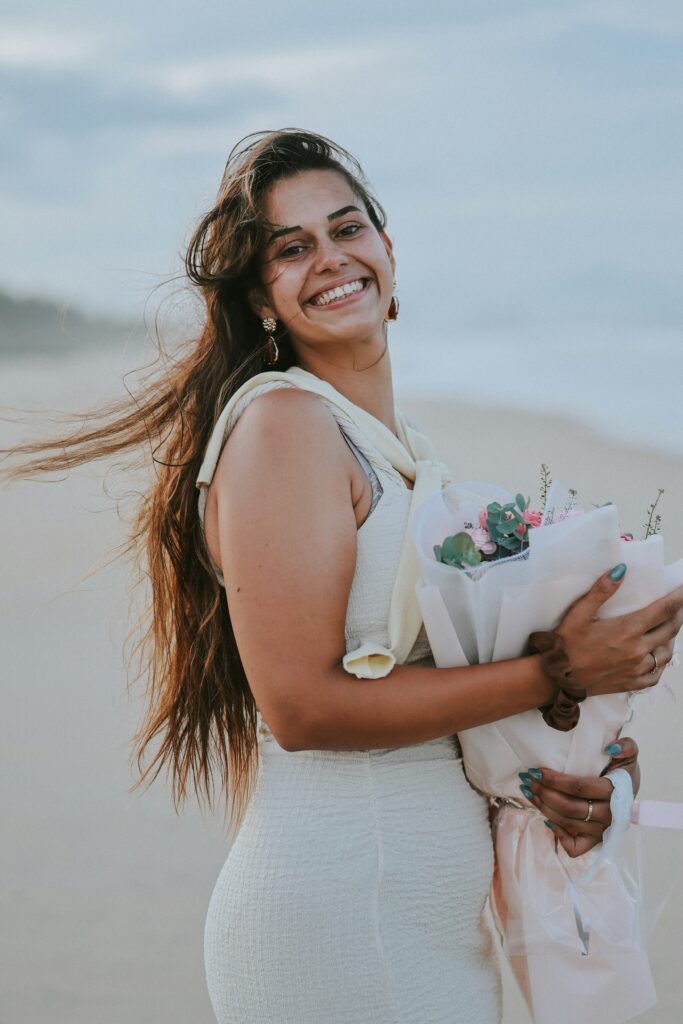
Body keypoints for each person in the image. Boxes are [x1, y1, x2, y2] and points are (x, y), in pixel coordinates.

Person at [8, 129, 683, 1024]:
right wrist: (556, 671)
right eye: (291, 249)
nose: (329, 258)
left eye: (346, 228)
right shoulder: (285, 425)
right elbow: (302, 708)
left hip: (420, 927)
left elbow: (429, 696)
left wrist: (553, 761)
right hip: (341, 926)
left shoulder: (404, 455)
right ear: (262, 298)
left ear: (388, 250)